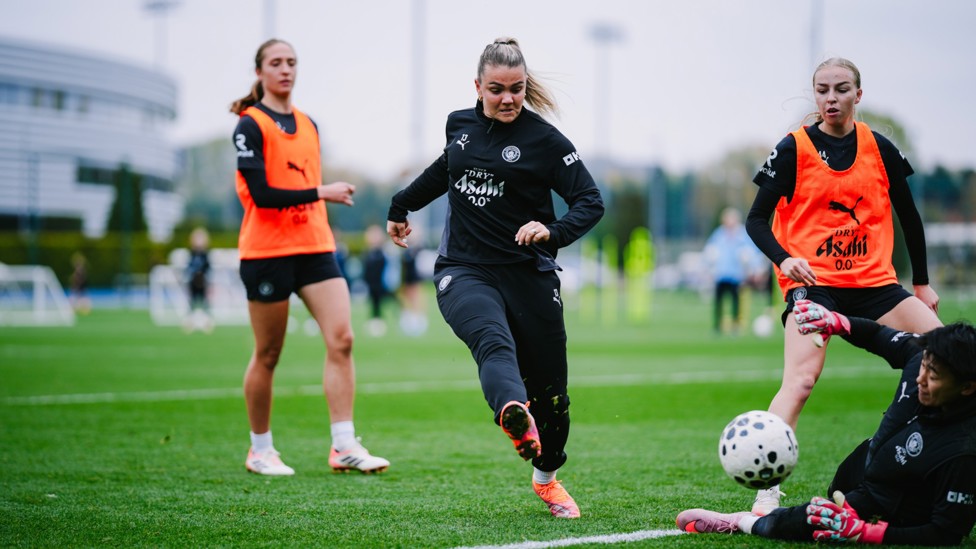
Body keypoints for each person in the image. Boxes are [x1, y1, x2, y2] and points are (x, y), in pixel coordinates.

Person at [385, 37, 604, 518]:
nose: (507, 98)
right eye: (497, 89)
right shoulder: (458, 125)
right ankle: (512, 412)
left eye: (517, 89)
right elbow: (445, 169)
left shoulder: (546, 141)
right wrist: (401, 204)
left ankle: (546, 478)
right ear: (478, 87)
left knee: (553, 394)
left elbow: (590, 200)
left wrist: (551, 230)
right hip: (464, 271)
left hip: (529, 274)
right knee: (493, 342)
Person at [745, 57, 943, 513]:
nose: (830, 98)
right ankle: (767, 490)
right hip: (814, 287)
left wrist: (923, 284)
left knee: (947, 356)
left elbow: (909, 217)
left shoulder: (879, 147)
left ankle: (927, 459)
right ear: (814, 95)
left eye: (840, 89)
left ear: (858, 94)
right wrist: (786, 259)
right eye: (822, 90)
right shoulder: (793, 149)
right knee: (800, 380)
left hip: (876, 284)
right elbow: (757, 220)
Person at [676, 300, 976, 545]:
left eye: (934, 376)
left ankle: (742, 521)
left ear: (967, 387)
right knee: (842, 485)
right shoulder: (923, 357)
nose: (921, 379)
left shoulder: (964, 451)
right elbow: (876, 335)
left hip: (893, 508)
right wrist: (837, 321)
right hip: (869, 469)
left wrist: (864, 532)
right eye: (924, 366)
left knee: (810, 522)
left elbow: (945, 533)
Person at [230, 38, 388, 476]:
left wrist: (320, 206)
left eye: (292, 63)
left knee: (343, 339)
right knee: (269, 353)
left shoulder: (309, 124)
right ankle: (260, 449)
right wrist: (322, 192)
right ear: (259, 71)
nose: (286, 70)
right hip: (267, 252)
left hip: (316, 247)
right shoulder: (249, 125)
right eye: (276, 63)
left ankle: (343, 445)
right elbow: (261, 195)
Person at [703, 207, 762, 336]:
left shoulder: (742, 234)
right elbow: (710, 251)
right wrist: (709, 268)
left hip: (736, 275)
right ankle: (717, 325)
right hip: (721, 273)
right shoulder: (719, 234)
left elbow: (752, 253)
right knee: (719, 301)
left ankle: (736, 324)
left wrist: (754, 269)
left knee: (736, 301)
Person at [361, 224, 391, 337]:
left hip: (381, 284)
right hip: (371, 284)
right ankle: (375, 321)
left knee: (383, 302)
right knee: (373, 303)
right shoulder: (368, 253)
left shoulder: (382, 253)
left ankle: (404, 317)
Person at [183, 227, 213, 333]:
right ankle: (189, 323)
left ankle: (207, 323)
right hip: (193, 282)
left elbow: (208, 267)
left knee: (205, 304)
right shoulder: (191, 253)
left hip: (203, 282)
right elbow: (188, 266)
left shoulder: (205, 254)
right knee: (191, 303)